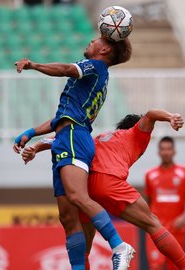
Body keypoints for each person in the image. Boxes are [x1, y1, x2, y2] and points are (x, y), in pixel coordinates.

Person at [20, 109, 185, 270]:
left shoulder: (99, 137)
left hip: (84, 188)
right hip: (109, 181)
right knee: (153, 224)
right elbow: (151, 114)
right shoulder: (136, 134)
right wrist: (171, 117)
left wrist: (35, 148)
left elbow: (60, 138)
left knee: (85, 247)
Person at [13, 36, 134, 270]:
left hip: (73, 138)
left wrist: (34, 65)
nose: (91, 41)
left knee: (78, 197)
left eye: (96, 40)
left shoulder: (97, 66)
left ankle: (119, 246)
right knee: (68, 218)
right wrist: (31, 132)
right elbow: (62, 119)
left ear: (105, 49)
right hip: (66, 136)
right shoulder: (95, 79)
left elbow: (67, 69)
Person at [145, 136, 185, 270]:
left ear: (174, 151)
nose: (166, 152)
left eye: (169, 149)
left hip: (177, 228)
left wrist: (184, 217)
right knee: (155, 265)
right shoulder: (150, 174)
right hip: (156, 228)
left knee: (175, 266)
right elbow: (148, 201)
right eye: (163, 149)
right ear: (158, 152)